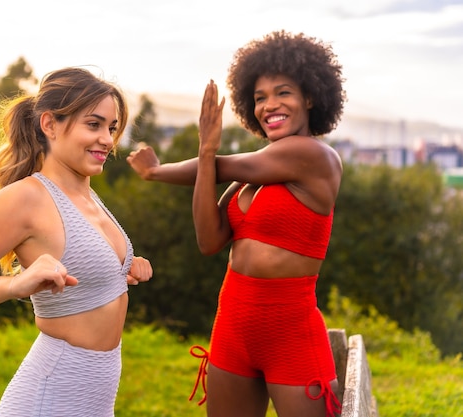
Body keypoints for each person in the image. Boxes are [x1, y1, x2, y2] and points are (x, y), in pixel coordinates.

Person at [126, 30, 345, 417]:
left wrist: (161, 171)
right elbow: (209, 241)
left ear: (310, 97)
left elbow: (220, 166)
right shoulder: (249, 181)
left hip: (290, 333)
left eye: (283, 93)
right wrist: (206, 155)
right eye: (260, 98)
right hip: (233, 326)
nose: (269, 105)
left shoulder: (314, 156)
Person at [0, 66, 153, 417]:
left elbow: (83, 273)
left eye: (111, 127)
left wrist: (122, 268)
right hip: (49, 400)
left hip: (95, 402)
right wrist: (14, 285)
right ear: (49, 125)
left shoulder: (89, 196)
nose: (107, 139)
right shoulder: (24, 198)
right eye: (93, 125)